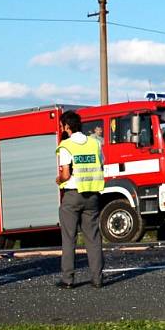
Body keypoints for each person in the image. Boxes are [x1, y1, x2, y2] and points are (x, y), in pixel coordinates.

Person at [55, 110, 105, 289]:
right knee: (93, 237)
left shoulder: (66, 145)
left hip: (73, 195)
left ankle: (68, 279)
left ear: (67, 126)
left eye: (62, 125)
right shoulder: (94, 143)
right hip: (92, 194)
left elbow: (66, 174)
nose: (61, 128)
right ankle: (97, 279)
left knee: (69, 238)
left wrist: (58, 179)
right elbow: (100, 164)